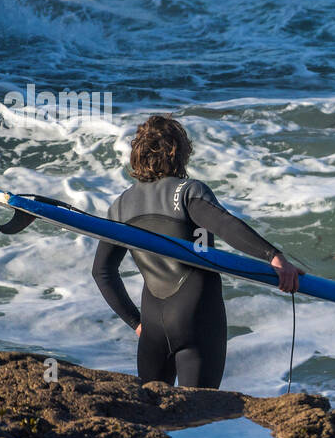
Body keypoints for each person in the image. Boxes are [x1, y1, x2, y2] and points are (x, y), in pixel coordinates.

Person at [92, 115, 301, 389]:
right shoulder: (188, 191)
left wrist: (136, 322)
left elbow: (102, 271)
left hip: (152, 326)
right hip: (197, 319)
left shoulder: (120, 206)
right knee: (199, 418)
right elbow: (225, 225)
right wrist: (273, 256)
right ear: (179, 152)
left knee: (154, 417)